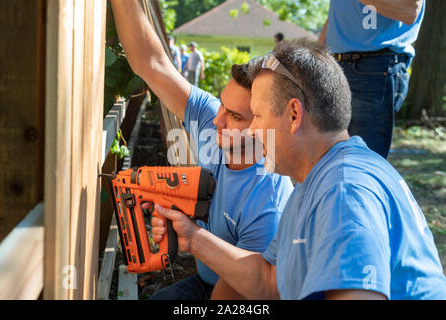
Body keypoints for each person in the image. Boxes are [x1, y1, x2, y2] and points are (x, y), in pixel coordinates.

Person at [152, 39, 446, 300]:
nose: (253, 130)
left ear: (293, 115)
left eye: (257, 116)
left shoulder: (344, 192)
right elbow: (269, 282)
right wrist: (192, 237)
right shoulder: (314, 185)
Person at [110, 0, 294, 300]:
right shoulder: (216, 122)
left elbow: (238, 291)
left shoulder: (267, 203)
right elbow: (151, 64)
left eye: (235, 116)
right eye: (222, 103)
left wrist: (192, 236)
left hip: (243, 293)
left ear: (264, 124)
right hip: (207, 276)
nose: (217, 120)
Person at [318, 0, 425, 159]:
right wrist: (316, 55)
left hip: (373, 68)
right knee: (331, 160)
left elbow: (410, 10)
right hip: (336, 66)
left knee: (360, 162)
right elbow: (338, 17)